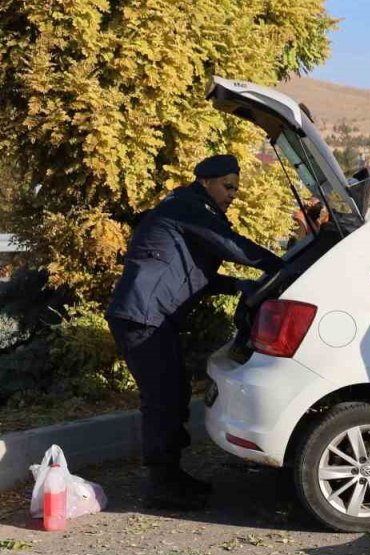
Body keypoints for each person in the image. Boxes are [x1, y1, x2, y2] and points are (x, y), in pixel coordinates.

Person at [106, 154, 284, 510]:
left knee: (173, 394)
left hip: (152, 317)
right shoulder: (188, 207)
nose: (232, 194)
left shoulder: (191, 209)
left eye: (235, 188)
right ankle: (161, 486)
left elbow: (192, 275)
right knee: (163, 400)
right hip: (144, 318)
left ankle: (171, 475)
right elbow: (232, 245)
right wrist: (285, 267)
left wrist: (238, 285)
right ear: (206, 181)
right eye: (227, 186)